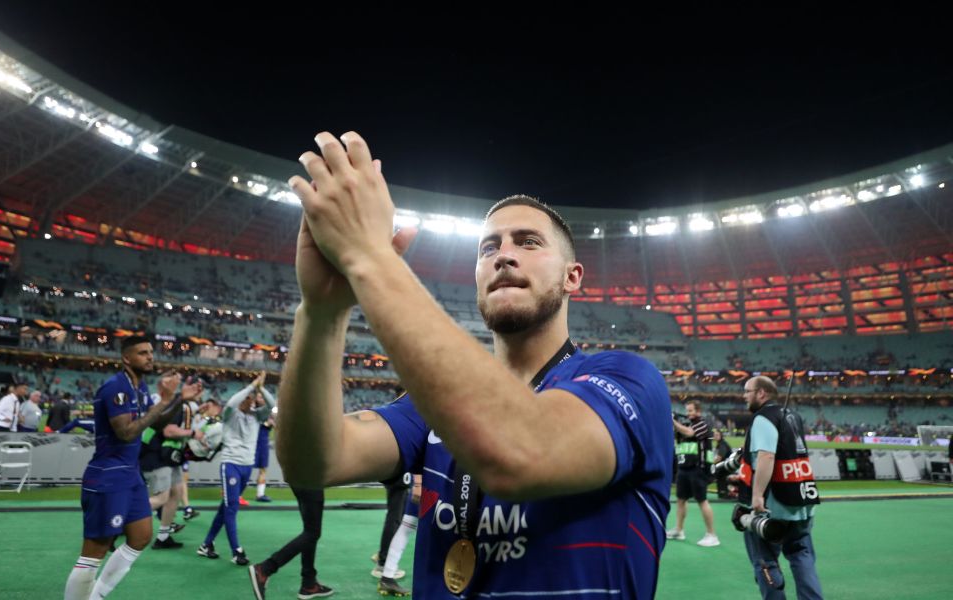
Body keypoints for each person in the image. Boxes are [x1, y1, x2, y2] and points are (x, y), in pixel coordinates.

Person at [277, 132, 674, 598]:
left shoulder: (628, 379)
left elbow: (522, 450)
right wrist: (321, 314)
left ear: (572, 277)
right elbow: (312, 461)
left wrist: (368, 257)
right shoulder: (432, 409)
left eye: (528, 242)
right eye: (488, 248)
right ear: (477, 277)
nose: (504, 254)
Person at [62, 336, 197, 600]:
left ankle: (96, 596)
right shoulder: (116, 388)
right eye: (142, 353)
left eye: (150, 352)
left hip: (130, 474)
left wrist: (179, 399)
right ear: (126, 358)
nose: (150, 356)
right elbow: (125, 432)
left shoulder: (140, 388)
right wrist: (163, 401)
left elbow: (155, 424)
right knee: (94, 552)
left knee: (140, 536)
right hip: (108, 476)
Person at [737, 376, 823, 599]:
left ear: (762, 393)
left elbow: (766, 456)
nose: (744, 396)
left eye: (747, 391)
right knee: (802, 557)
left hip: (774, 506)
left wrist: (756, 496)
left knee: (765, 561)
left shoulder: (763, 418)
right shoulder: (794, 416)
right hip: (802, 501)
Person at [197, 372, 275, 566]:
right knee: (232, 508)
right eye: (247, 398)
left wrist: (260, 389)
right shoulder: (230, 414)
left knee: (226, 508)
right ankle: (236, 551)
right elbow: (232, 402)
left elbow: (272, 404)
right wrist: (250, 387)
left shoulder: (258, 417)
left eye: (252, 399)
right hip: (231, 465)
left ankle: (206, 545)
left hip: (246, 467)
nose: (249, 401)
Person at [140, 376, 205, 549]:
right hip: (157, 455)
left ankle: (163, 537)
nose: (197, 390)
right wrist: (192, 434)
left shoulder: (178, 404)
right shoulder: (172, 405)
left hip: (168, 455)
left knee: (175, 493)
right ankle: (120, 521)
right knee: (161, 498)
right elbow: (169, 431)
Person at [247, 485, 333, 599]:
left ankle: (309, 583)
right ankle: (265, 568)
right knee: (312, 533)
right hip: (311, 479)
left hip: (300, 480)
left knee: (310, 531)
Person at [667, 400, 719, 547]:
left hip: (698, 468)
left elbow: (689, 433)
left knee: (702, 501)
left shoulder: (702, 424)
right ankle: (679, 530)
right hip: (684, 468)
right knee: (681, 500)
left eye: (691, 411)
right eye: (687, 410)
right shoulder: (687, 424)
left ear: (698, 412)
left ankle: (712, 534)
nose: (688, 413)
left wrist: (672, 421)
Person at [376, 474, 422, 597]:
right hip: (429, 483)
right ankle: (384, 565)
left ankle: (387, 573)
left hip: (421, 482)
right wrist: (418, 484)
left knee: (404, 525)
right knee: (399, 522)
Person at [371, 475, 410, 581]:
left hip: (400, 478)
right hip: (400, 478)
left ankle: (382, 556)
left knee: (399, 518)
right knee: (395, 519)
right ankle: (383, 563)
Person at [253, 414, 275, 502]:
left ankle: (260, 494)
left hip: (263, 445)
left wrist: (272, 421)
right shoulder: (255, 413)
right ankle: (237, 495)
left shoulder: (268, 414)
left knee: (263, 469)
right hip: (252, 444)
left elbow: (273, 424)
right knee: (245, 469)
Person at [711, 429, 733, 499]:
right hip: (725, 465)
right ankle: (722, 493)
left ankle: (723, 493)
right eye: (714, 435)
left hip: (727, 466)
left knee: (716, 473)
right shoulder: (719, 444)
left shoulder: (722, 444)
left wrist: (711, 464)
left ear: (721, 436)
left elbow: (719, 458)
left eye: (717, 435)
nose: (715, 437)